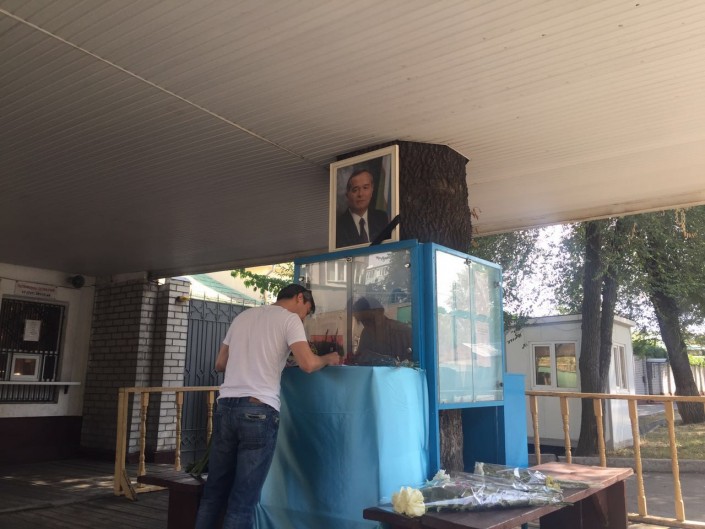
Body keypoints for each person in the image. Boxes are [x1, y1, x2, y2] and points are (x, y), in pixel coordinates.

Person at [195, 284, 341, 529]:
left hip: (226, 407)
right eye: (307, 311)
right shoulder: (290, 320)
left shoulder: (243, 317)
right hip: (258, 410)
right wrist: (328, 358)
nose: (304, 318)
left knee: (213, 492)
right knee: (242, 501)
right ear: (300, 297)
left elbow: (220, 363)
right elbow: (307, 364)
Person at [348, 296, 412, 365]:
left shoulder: (402, 331)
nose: (367, 324)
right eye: (362, 321)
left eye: (369, 319)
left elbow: (411, 363)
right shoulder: (366, 333)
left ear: (380, 312)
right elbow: (360, 357)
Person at [336, 168, 389, 248]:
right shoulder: (338, 226)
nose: (360, 194)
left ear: (372, 191)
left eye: (365, 188)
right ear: (348, 195)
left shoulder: (382, 218)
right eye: (355, 190)